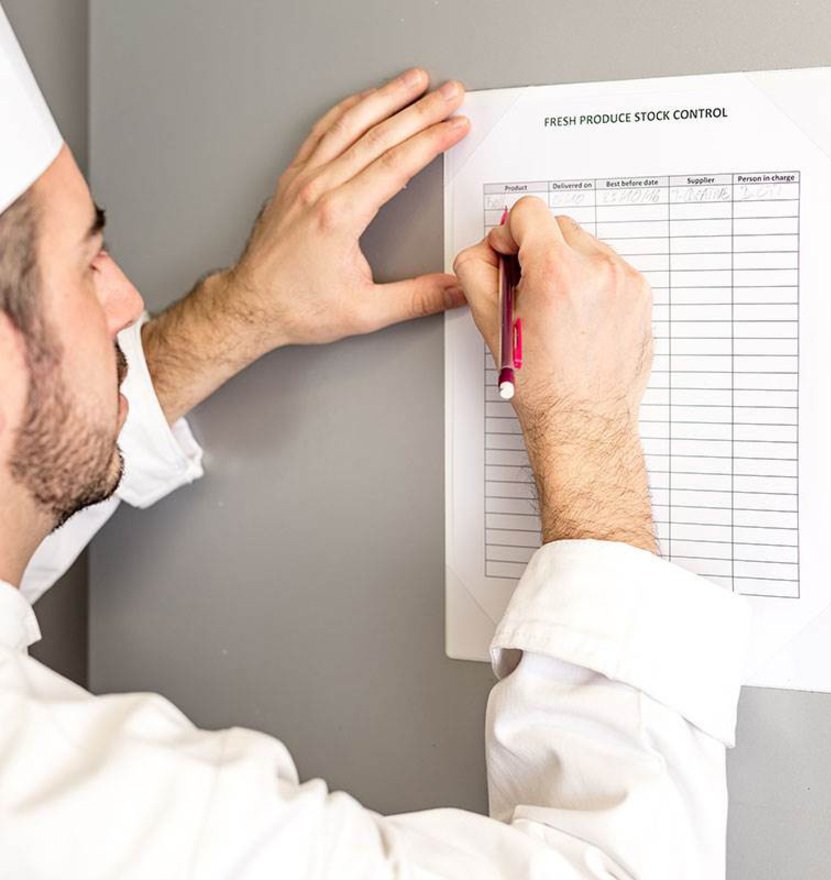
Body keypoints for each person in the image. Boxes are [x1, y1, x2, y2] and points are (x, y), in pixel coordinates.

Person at [0, 6, 751, 878]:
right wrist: (585, 427)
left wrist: (241, 311)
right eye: (86, 261)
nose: (126, 300)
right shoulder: (73, 813)